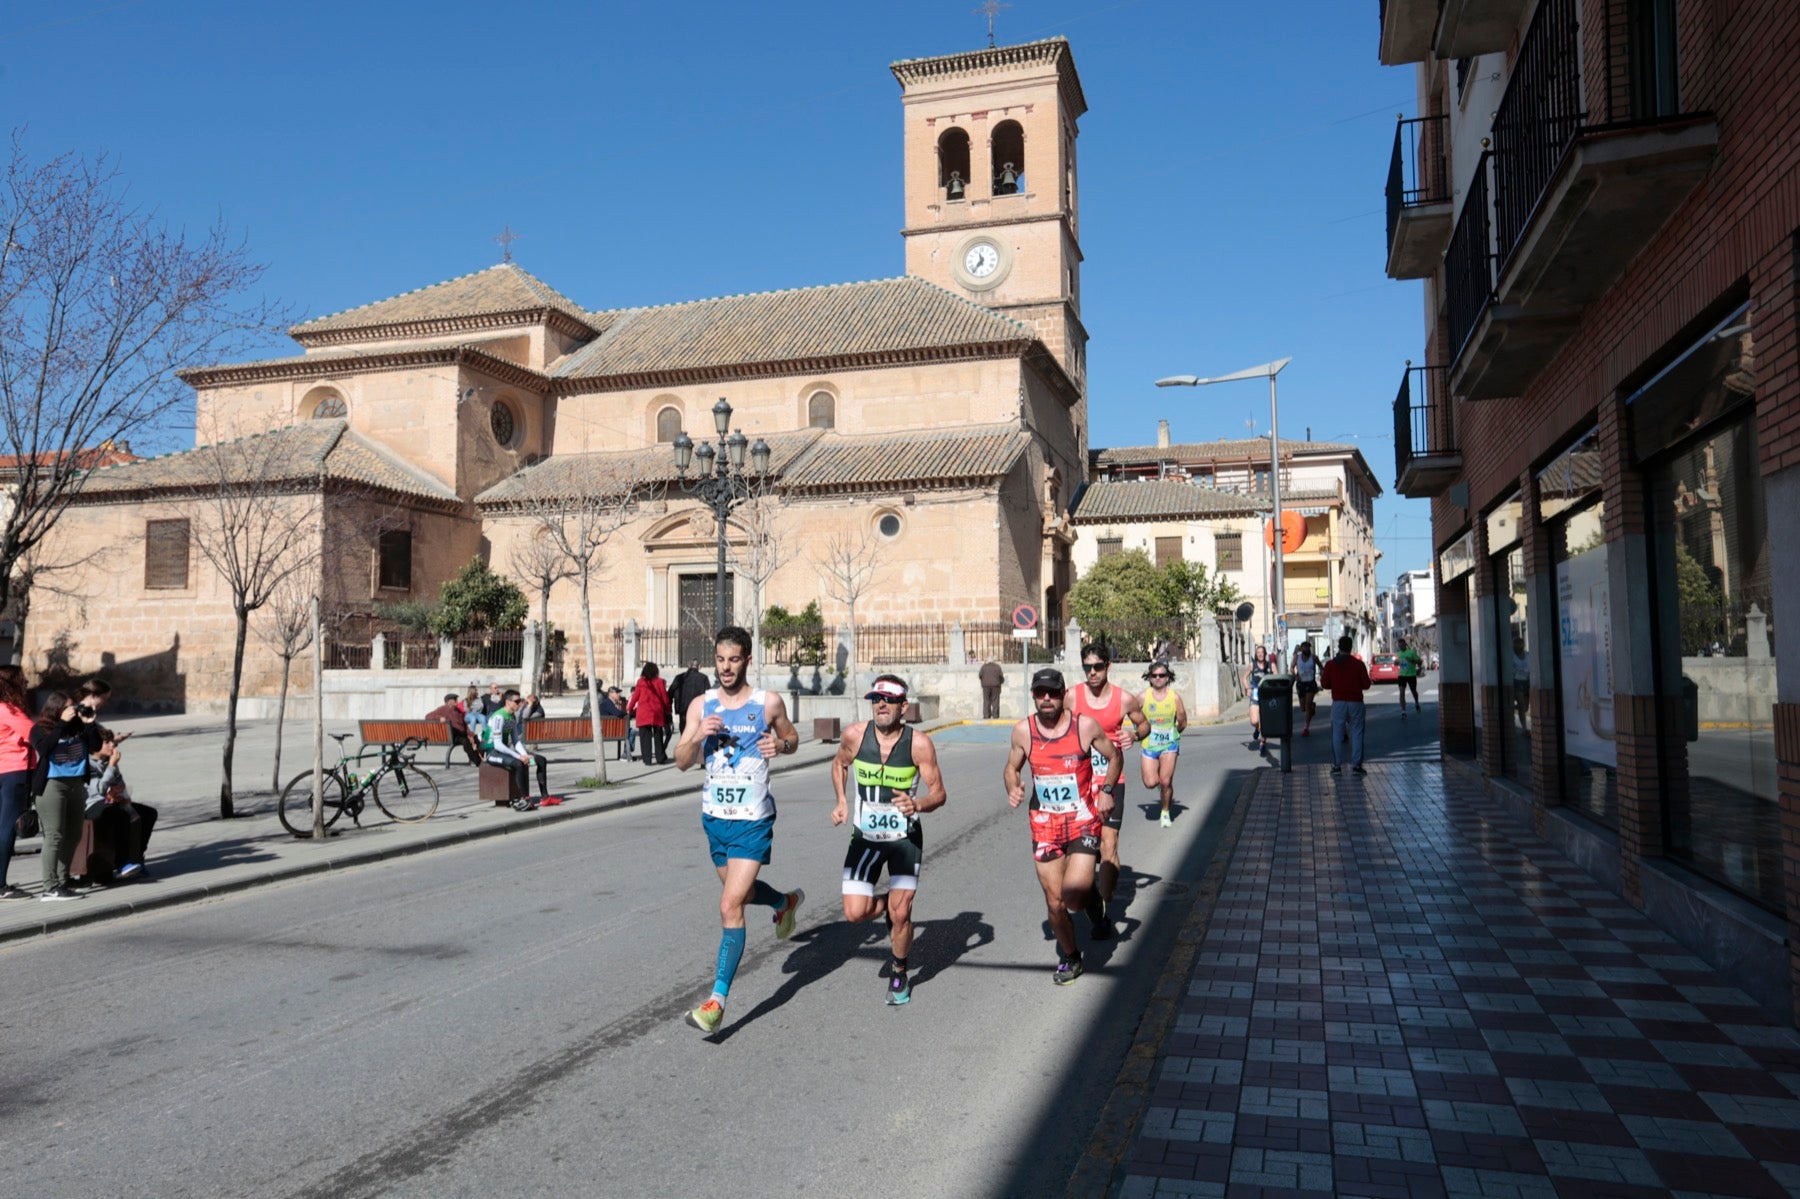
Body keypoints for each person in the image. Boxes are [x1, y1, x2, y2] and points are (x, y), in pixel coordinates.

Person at [674, 626, 804, 1034]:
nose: (726, 668)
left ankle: (716, 1002)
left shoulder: (768, 703)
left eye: (733, 660)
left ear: (747, 660)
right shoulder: (702, 705)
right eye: (720, 659)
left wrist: (779, 746)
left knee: (730, 905)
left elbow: (793, 738)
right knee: (743, 895)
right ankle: (784, 902)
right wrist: (698, 735)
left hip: (753, 820)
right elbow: (680, 760)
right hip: (715, 819)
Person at [830, 675, 947, 1005]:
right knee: (855, 913)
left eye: (889, 700)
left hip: (904, 840)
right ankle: (886, 906)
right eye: (876, 699)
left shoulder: (919, 744)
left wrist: (918, 804)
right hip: (865, 837)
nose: (881, 704)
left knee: (901, 913)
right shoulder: (855, 735)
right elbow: (839, 764)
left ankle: (899, 971)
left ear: (903, 707)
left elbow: (939, 793)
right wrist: (841, 801)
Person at [1005, 667, 1121, 986]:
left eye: (1053, 693)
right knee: (1055, 902)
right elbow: (1011, 768)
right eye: (1040, 693)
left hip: (1082, 820)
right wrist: (1012, 786)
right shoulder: (1023, 731)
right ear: (1033, 695)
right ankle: (1071, 957)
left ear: (1063, 695)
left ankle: (1091, 901)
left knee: (1074, 897)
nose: (1047, 698)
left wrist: (1107, 791)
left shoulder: (1084, 726)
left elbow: (1114, 757)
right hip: (1044, 825)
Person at [1069, 643, 1149, 939]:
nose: (1092, 672)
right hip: (1078, 781)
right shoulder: (1071, 696)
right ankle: (1094, 900)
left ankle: (1104, 904)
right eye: (1087, 667)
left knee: (1109, 845)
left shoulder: (1123, 699)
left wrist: (1134, 735)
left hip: (1111, 778)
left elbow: (1145, 725)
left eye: (1097, 667)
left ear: (1107, 666)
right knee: (1078, 845)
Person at [29, 682, 110, 901]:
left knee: (73, 834)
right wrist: (62, 724)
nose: (72, 710)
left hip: (76, 785)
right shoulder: (40, 728)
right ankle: (50, 886)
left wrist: (90, 724)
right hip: (52, 786)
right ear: (56, 709)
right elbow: (44, 748)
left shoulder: (78, 726)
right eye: (67, 707)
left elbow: (95, 746)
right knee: (54, 835)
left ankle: (63, 880)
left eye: (72, 706)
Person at [80, 730, 156, 884]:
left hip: (111, 803)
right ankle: (122, 862)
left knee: (148, 813)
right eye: (107, 742)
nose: (112, 745)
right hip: (91, 805)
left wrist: (122, 794)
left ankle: (137, 858)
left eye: (112, 742)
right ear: (95, 746)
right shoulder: (87, 764)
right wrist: (111, 766)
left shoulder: (109, 761)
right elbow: (98, 790)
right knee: (117, 815)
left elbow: (119, 783)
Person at [0, 664, 35, 900]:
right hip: (14, 772)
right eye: (23, 680)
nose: (26, 683)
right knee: (7, 829)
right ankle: (1, 886)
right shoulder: (10, 710)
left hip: (3, 769)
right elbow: (36, 735)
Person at [1139, 662, 1188, 828]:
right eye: (1154, 675)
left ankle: (1165, 811)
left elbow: (1182, 721)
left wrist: (1173, 734)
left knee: (1165, 781)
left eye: (1162, 675)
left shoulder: (1175, 697)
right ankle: (1162, 789)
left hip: (1169, 744)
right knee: (1150, 783)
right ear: (1149, 678)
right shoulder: (1143, 697)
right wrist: (1140, 730)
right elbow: (1132, 713)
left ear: (1168, 677)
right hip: (1149, 744)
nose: (1158, 678)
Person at [1320, 635, 1372, 775]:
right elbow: (1366, 684)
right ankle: (1356, 766)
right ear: (1351, 648)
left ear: (1339, 647)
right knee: (1357, 733)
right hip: (1356, 702)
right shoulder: (1358, 664)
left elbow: (1324, 684)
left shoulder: (1331, 665)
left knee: (1337, 734)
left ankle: (1337, 766)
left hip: (1338, 703)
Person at [481, 689, 537, 810]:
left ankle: (541, 797)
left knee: (537, 760)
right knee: (518, 763)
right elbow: (497, 745)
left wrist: (525, 755)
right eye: (517, 701)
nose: (520, 703)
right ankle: (524, 798)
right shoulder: (499, 716)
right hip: (492, 753)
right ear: (508, 702)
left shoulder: (511, 717)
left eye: (520, 700)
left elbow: (516, 740)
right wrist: (519, 756)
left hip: (502, 751)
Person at [629, 662, 673, 766]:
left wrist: (630, 708)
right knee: (658, 736)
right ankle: (660, 757)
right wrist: (668, 709)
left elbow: (635, 697)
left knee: (645, 737)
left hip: (643, 712)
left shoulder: (641, 682)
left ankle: (647, 759)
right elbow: (664, 698)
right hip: (656, 712)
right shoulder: (659, 681)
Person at [426, 693, 482, 767]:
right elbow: (428, 716)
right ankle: (478, 762)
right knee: (466, 742)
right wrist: (439, 718)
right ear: (449, 702)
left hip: (462, 734)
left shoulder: (458, 710)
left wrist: (471, 734)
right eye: (455, 700)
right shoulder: (443, 709)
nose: (457, 701)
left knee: (477, 739)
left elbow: (464, 725)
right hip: (454, 735)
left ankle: (480, 758)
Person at [668, 661, 710, 735]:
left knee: (684, 732)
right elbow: (708, 695)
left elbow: (670, 693)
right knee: (696, 733)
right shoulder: (703, 678)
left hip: (683, 709)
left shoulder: (679, 677)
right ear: (699, 666)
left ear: (688, 665)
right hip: (697, 709)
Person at [1244, 645, 1272, 749]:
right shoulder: (1252, 665)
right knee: (1254, 721)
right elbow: (1244, 678)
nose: (1260, 654)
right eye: (1258, 652)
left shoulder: (1270, 665)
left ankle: (1262, 742)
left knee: (1265, 721)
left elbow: (1277, 678)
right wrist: (1247, 688)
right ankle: (1257, 728)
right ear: (1256, 654)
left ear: (1265, 654)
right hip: (1255, 695)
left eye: (1262, 652)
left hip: (1266, 696)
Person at [1292, 642, 1320, 737]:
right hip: (1301, 684)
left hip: (1311, 683)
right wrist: (1295, 676)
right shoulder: (1297, 657)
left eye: (1308, 647)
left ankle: (1306, 728)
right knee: (1303, 708)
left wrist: (1322, 673)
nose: (1306, 649)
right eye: (1304, 647)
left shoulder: (1314, 657)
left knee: (1307, 706)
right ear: (1302, 648)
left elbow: (1321, 667)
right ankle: (1312, 706)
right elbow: (1292, 668)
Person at [1396, 638, 1423, 716]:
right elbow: (1396, 663)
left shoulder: (1411, 652)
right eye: (1399, 646)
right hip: (1402, 675)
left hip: (1411, 675)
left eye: (1402, 645)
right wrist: (1396, 662)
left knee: (1413, 691)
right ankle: (1403, 711)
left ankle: (1416, 702)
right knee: (1401, 692)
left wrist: (1411, 661)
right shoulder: (1398, 654)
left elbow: (1420, 661)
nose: (1400, 647)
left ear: (1405, 645)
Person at [1510, 637, 1530, 729]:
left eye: (1520, 644)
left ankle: (1511, 707)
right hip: (1517, 682)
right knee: (1522, 705)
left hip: (1527, 681)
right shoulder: (1512, 656)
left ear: (1523, 645)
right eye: (1516, 644)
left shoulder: (1528, 655)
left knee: (1525, 707)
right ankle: (1524, 728)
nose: (1519, 646)